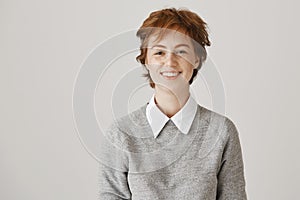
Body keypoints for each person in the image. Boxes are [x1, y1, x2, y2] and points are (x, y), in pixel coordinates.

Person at [98, 8, 247, 200]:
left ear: (196, 59)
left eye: (181, 51)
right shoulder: (120, 133)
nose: (170, 62)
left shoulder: (222, 131)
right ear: (146, 60)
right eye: (159, 52)